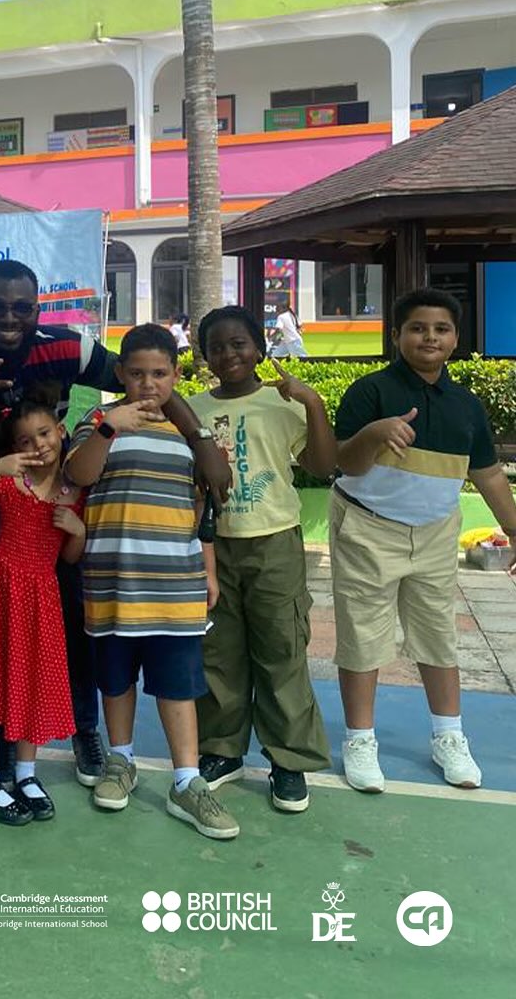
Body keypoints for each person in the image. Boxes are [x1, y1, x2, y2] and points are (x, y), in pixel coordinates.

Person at [0, 259, 233, 788]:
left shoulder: (69, 348)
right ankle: (5, 739)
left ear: (37, 309)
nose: (10, 317)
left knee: (72, 616)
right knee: (1, 625)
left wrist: (200, 440)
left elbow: (147, 383)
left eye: (22, 307)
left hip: (59, 500)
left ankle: (83, 727)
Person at [330, 289, 516, 794]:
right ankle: (360, 739)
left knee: (437, 635)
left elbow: (488, 474)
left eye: (440, 329)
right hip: (368, 530)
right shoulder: (370, 392)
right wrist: (376, 433)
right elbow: (345, 463)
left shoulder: (467, 406)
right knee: (363, 637)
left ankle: (448, 736)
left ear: (455, 339)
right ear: (397, 336)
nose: (429, 337)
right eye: (417, 328)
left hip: (435, 535)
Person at [64, 324, 239, 840]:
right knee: (115, 680)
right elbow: (79, 475)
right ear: (120, 374)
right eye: (137, 373)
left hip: (175, 585)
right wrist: (107, 428)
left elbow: (203, 505)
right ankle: (120, 761)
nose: (148, 384)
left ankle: (187, 782)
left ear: (176, 376)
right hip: (112, 580)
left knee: (177, 686)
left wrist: (209, 570)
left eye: (159, 374)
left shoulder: (190, 433)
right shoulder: (98, 421)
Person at [187, 307, 334, 813]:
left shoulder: (281, 403)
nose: (229, 354)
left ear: (260, 349)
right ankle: (222, 749)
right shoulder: (192, 411)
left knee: (281, 648)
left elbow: (323, 464)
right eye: (217, 347)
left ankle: (288, 759)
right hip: (214, 545)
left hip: (274, 542)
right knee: (218, 650)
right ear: (204, 355)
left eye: (240, 344)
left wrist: (312, 402)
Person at [0, 396, 86, 825]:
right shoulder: (11, 481)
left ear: (61, 431)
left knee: (32, 679)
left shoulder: (73, 493)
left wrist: (79, 532)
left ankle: (25, 774)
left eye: (44, 433)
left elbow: (69, 557)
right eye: (25, 440)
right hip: (2, 587)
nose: (38, 445)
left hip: (42, 595)